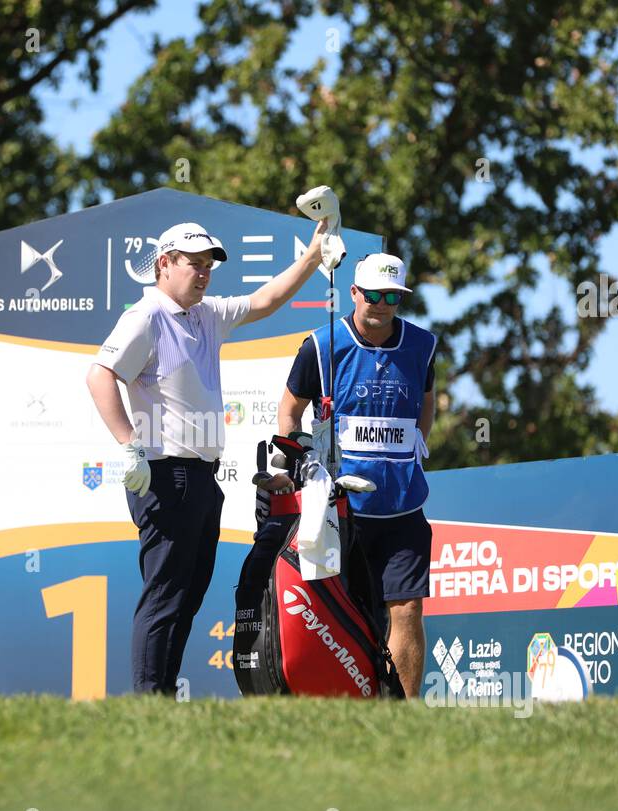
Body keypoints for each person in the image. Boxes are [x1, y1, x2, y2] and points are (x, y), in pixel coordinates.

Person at [88, 216, 330, 694]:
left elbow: (266, 300)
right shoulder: (147, 316)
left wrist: (312, 255)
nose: (203, 274)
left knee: (189, 594)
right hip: (165, 474)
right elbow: (100, 376)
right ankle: (148, 701)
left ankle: (160, 695)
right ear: (164, 264)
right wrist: (128, 445)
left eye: (208, 266)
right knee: (166, 595)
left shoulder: (205, 313)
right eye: (193, 264)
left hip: (201, 478)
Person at [277, 253, 436, 698]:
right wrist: (299, 460)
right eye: (373, 295)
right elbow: (289, 410)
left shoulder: (422, 345)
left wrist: (420, 439)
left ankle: (401, 716)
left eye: (392, 297)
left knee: (406, 610)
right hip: (339, 506)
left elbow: (427, 395)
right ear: (354, 293)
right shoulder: (322, 345)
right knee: (341, 613)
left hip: (403, 506)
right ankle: (345, 705)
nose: (382, 304)